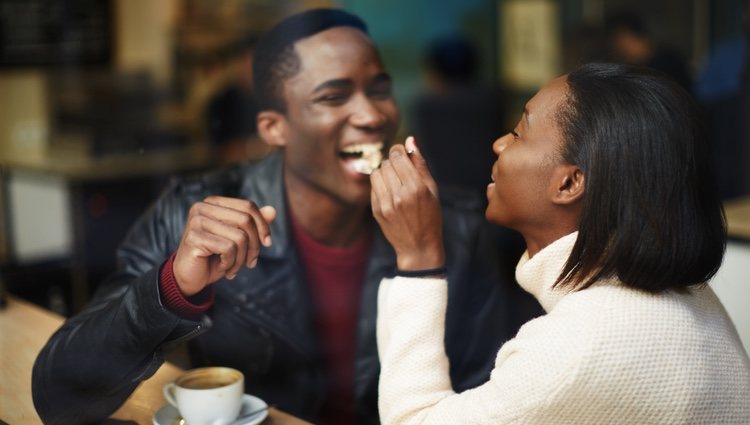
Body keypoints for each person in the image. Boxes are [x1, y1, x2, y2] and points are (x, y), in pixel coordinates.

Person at [32, 8, 517, 425]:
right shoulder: (193, 216)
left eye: (380, 89)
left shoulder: (454, 223)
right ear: (274, 127)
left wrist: (425, 258)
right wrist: (172, 288)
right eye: (333, 96)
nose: (372, 116)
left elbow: (490, 402)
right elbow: (60, 397)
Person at [372, 63, 750, 424]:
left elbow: (415, 420)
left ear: (569, 183)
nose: (500, 143)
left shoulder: (578, 348)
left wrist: (418, 257)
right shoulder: (686, 297)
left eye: (519, 132)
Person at [605, 11, 692, 92]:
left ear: (624, 35)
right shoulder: (650, 61)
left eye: (615, 39)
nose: (614, 46)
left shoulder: (666, 63)